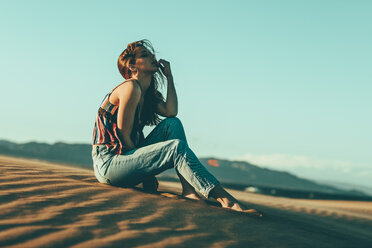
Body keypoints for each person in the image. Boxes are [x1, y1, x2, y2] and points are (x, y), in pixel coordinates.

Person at [92, 39, 261, 215]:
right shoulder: (130, 88)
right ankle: (227, 201)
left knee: (173, 124)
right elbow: (123, 137)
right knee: (176, 148)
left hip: (126, 160)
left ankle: (189, 191)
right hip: (109, 164)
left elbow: (171, 112)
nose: (152, 56)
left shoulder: (147, 94)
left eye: (151, 53)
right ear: (133, 67)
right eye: (145, 55)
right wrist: (147, 174)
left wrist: (170, 77)